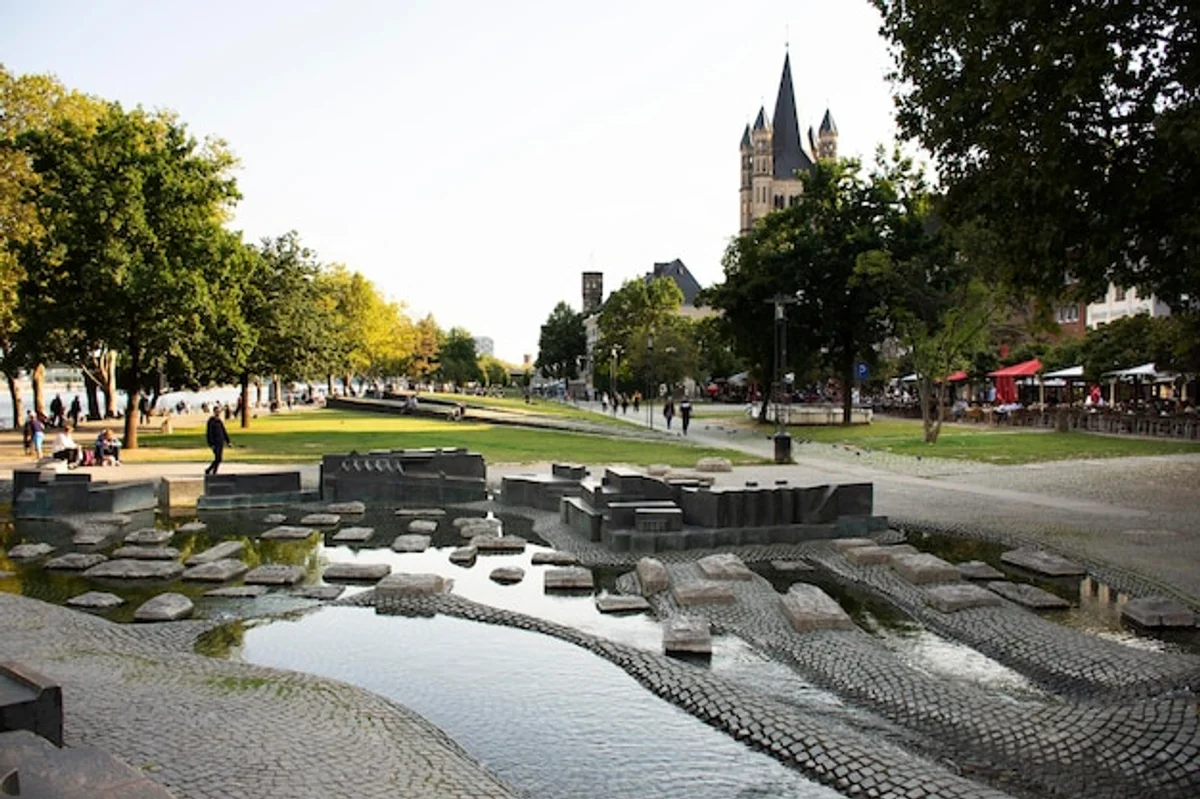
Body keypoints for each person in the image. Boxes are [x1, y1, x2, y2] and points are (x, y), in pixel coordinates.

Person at [205, 407, 231, 475]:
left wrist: (228, 441)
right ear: (214, 412)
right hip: (215, 443)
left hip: (220, 442)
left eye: (219, 412)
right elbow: (209, 433)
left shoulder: (219, 421)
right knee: (218, 458)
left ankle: (210, 470)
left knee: (219, 459)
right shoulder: (211, 421)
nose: (218, 413)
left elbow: (224, 431)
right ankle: (213, 471)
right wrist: (211, 444)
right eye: (217, 411)